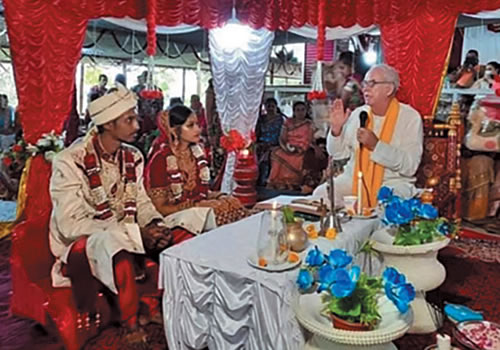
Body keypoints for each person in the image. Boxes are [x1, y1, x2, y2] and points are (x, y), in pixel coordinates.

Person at [49, 85, 174, 344]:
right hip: (79, 244)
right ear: (107, 124)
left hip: (125, 230)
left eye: (135, 117)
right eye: (129, 119)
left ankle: (152, 306)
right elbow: (70, 224)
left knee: (174, 233)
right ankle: (129, 325)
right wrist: (134, 235)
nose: (138, 125)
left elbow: (141, 200)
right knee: (115, 244)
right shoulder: (69, 161)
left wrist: (154, 224)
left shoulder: (133, 156)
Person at [313, 64, 424, 209]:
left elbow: (410, 166)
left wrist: (376, 146)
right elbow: (338, 154)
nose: (365, 88)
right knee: (321, 195)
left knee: (390, 206)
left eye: (372, 84)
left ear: (389, 89)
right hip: (353, 179)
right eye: (365, 83)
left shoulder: (410, 117)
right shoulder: (359, 113)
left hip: (391, 183)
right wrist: (336, 131)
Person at [145, 105, 248, 227]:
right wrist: (196, 206)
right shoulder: (160, 159)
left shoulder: (196, 153)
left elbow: (200, 193)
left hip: (197, 213)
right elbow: (160, 208)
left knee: (233, 206)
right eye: (190, 125)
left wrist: (221, 196)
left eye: (197, 124)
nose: (198, 130)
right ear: (173, 130)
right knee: (220, 214)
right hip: (173, 220)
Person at [267, 101, 315, 190]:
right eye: (298, 110)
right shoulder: (288, 122)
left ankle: (292, 182)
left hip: (302, 148)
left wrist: (301, 148)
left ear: (306, 111)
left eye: (302, 110)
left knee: (300, 158)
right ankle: (277, 182)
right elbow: (282, 138)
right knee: (277, 153)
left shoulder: (309, 124)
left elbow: (310, 139)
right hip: (288, 147)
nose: (300, 112)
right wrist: (285, 148)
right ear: (294, 111)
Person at [255, 98, 285, 186]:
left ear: (276, 107)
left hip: (275, 144)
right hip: (261, 144)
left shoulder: (281, 120)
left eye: (272, 106)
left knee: (267, 156)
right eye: (268, 106)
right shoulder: (261, 119)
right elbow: (257, 132)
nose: (270, 108)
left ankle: (266, 180)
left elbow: (283, 134)